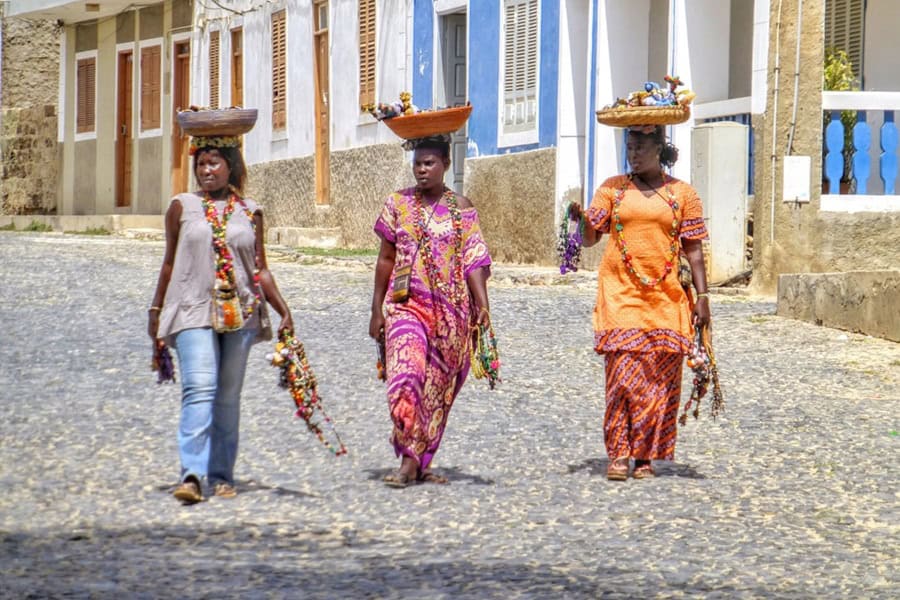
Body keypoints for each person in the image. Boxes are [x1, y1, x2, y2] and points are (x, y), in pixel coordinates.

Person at [148, 134, 294, 504]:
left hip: (240, 313)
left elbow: (260, 268)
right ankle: (192, 475)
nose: (206, 170)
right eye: (200, 164)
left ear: (232, 165)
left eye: (214, 163)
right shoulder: (181, 207)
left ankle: (222, 474)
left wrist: (283, 310)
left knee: (227, 396)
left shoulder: (250, 211)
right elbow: (168, 262)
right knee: (200, 387)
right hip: (192, 308)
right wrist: (156, 309)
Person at [571, 124, 710, 481]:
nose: (633, 154)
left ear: (659, 148)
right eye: (629, 148)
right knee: (622, 380)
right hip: (620, 295)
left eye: (640, 148)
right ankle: (619, 453)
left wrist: (703, 297)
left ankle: (645, 456)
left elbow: (693, 249)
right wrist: (582, 220)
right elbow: (590, 239)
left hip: (666, 299)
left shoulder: (682, 194)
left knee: (658, 382)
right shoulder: (612, 190)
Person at [369, 135, 492, 488]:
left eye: (429, 163)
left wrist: (482, 305)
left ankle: (414, 463)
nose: (422, 170)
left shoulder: (462, 208)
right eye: (417, 163)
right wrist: (376, 309)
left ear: (445, 165)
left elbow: (473, 260)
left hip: (451, 316)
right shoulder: (398, 204)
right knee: (406, 376)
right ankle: (409, 455)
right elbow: (386, 258)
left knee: (436, 391)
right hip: (406, 306)